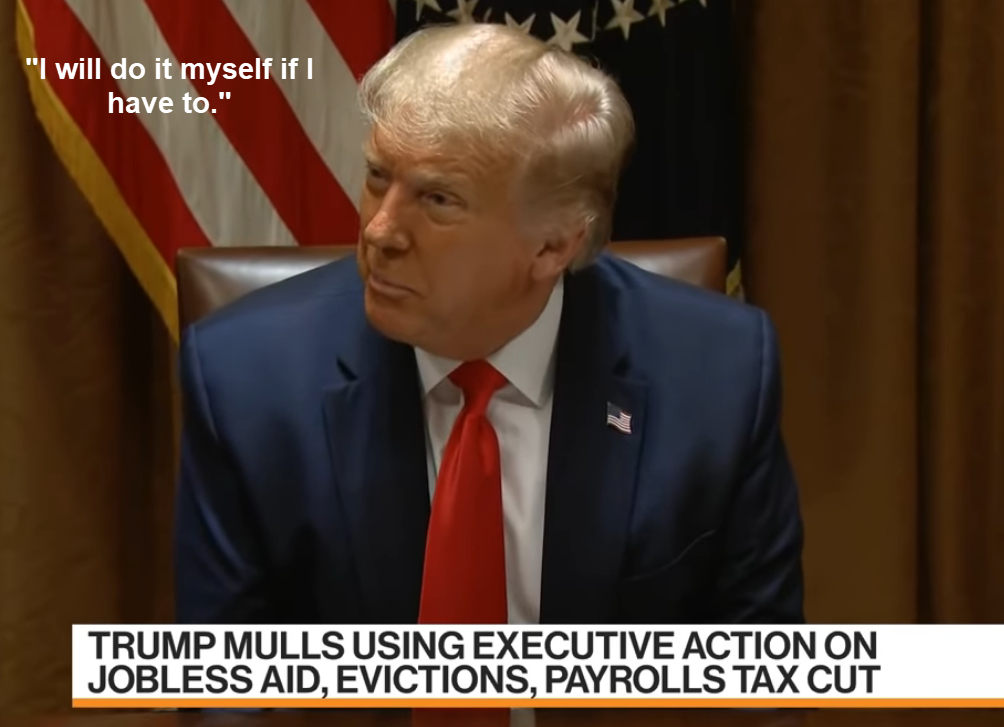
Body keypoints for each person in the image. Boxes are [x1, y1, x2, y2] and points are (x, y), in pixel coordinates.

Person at [174, 23, 804, 627]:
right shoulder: (245, 380)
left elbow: (759, 671)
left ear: (553, 245)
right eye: (377, 177)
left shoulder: (719, 377)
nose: (380, 231)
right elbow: (225, 678)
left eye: (438, 200)